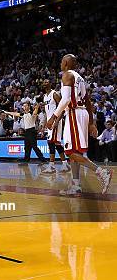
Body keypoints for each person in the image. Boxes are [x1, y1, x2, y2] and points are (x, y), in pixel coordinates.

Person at [46, 54, 113, 194]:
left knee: (70, 151)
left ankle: (101, 172)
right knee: (75, 152)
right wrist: (91, 122)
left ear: (65, 63)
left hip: (74, 114)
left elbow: (65, 100)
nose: (60, 63)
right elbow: (88, 101)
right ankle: (76, 185)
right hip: (82, 114)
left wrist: (53, 116)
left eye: (61, 61)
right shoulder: (80, 78)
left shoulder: (67, 75)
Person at [40, 79, 69, 173]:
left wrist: (56, 122)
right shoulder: (45, 97)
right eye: (44, 82)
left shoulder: (55, 94)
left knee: (51, 142)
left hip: (55, 121)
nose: (45, 83)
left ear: (50, 84)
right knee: (56, 143)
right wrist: (44, 125)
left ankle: (52, 166)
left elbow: (63, 108)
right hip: (49, 122)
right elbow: (47, 112)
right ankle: (65, 164)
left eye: (47, 82)